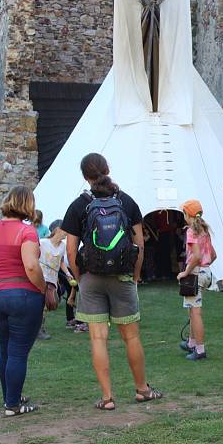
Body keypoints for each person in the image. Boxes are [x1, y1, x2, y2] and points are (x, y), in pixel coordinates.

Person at [62, 153, 162, 410]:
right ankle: (142, 389)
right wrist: (136, 275)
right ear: (108, 169)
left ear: (84, 176)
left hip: (91, 278)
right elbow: (139, 244)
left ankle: (107, 398)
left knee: (98, 339)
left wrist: (79, 276)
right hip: (122, 276)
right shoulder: (126, 202)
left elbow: (71, 250)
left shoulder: (78, 206)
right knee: (131, 337)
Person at [0, 186, 47, 416]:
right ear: (27, 204)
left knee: (6, 349)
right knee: (18, 351)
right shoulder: (26, 232)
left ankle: (10, 396)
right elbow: (30, 265)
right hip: (22, 294)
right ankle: (13, 405)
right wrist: (42, 289)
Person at [177, 199, 217, 360]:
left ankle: (200, 349)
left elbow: (196, 256)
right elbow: (212, 255)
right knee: (192, 310)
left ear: (188, 214)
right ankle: (192, 342)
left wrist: (186, 272)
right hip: (206, 273)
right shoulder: (205, 230)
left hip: (195, 274)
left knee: (195, 313)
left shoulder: (191, 231)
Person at [37, 220, 76, 340]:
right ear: (57, 229)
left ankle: (39, 328)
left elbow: (61, 262)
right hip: (40, 278)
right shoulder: (42, 243)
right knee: (40, 305)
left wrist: (68, 274)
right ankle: (38, 330)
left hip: (52, 279)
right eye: (65, 230)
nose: (67, 233)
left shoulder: (62, 246)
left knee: (49, 304)